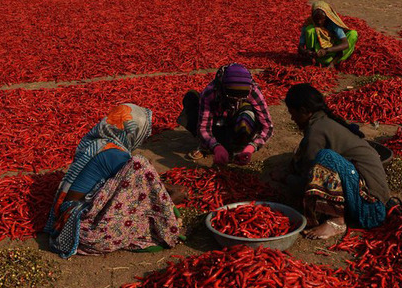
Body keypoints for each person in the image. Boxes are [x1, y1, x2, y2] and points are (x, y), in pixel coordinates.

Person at [45, 102, 185, 258]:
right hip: (80, 227)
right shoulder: (116, 155)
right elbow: (143, 185)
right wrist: (169, 202)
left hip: (66, 214)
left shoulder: (97, 142)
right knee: (140, 166)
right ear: (132, 132)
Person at [281, 83, 391, 240]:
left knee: (326, 157)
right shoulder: (325, 121)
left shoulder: (316, 131)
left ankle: (337, 221)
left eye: (293, 113)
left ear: (304, 111)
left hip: (371, 210)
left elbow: (307, 182)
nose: (292, 118)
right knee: (318, 157)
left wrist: (288, 179)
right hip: (373, 203)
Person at [178, 63, 273, 164]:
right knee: (192, 98)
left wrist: (251, 147)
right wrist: (216, 147)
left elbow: (267, 126)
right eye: (232, 97)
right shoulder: (210, 93)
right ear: (223, 89)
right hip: (218, 122)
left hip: (235, 122)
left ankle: (240, 144)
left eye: (241, 98)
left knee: (247, 113)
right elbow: (203, 127)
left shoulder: (252, 91)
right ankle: (207, 145)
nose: (236, 101)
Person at [298, 1, 358, 68]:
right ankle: (311, 60)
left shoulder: (333, 22)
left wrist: (326, 50)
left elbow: (345, 44)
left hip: (333, 51)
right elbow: (300, 47)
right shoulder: (309, 22)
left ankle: (333, 62)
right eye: (316, 19)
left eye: (321, 19)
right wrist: (307, 52)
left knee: (353, 34)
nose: (319, 22)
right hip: (318, 53)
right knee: (310, 29)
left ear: (326, 17)